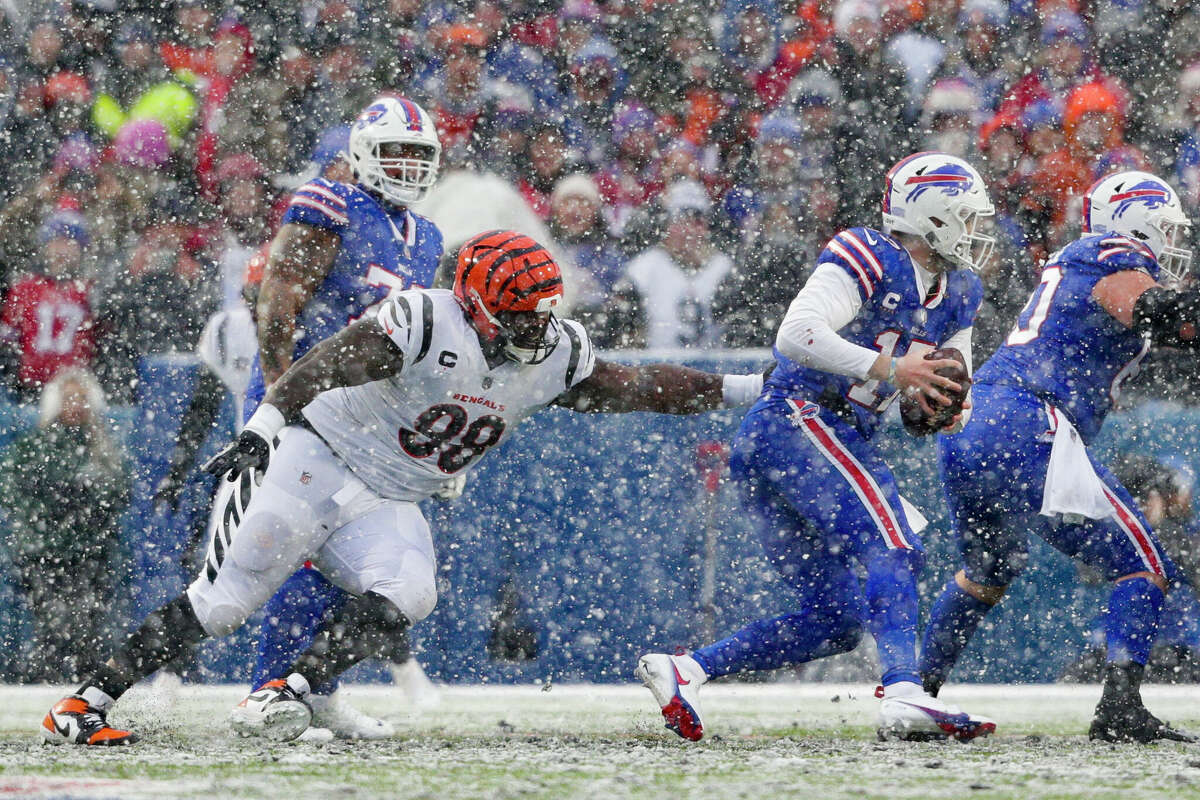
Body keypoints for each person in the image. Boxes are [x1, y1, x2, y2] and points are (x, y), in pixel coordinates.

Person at [40, 229, 766, 746]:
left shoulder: (550, 352)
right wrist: (265, 422)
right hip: (316, 455)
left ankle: (289, 692)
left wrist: (744, 388)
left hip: (390, 494)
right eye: (519, 312)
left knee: (411, 593)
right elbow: (327, 362)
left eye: (544, 311)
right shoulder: (425, 321)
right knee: (224, 604)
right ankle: (85, 701)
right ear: (477, 305)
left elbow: (637, 384)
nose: (537, 328)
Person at [636, 152, 997, 743]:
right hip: (801, 420)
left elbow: (956, 386)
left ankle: (685, 670)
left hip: (796, 440)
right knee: (893, 543)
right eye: (967, 217)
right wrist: (890, 369)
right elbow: (797, 335)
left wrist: (947, 412)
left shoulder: (960, 290)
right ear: (933, 215)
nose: (978, 232)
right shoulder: (870, 256)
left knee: (836, 622)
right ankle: (905, 691)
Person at [919, 170, 1198, 743]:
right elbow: (1151, 311)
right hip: (1026, 420)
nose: (1173, 244)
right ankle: (1120, 709)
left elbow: (1174, 323)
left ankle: (914, 695)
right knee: (1143, 561)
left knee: (987, 574)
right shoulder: (1111, 256)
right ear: (1136, 221)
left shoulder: (1086, 260)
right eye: (1166, 229)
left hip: (977, 419)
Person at [247, 95, 445, 739]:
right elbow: (277, 304)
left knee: (358, 564)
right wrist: (279, 402)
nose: (409, 167)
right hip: (307, 408)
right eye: (395, 153)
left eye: (420, 155)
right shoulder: (329, 204)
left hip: (366, 420)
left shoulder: (429, 235)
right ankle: (268, 693)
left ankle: (316, 690)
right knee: (301, 552)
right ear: (362, 153)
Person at [3, 368, 128, 682]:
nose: (75, 406)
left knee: (88, 626)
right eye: (68, 398)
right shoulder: (33, 446)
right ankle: (50, 680)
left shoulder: (104, 450)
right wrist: (46, 509)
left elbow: (118, 492)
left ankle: (82, 687)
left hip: (90, 552)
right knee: (52, 624)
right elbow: (10, 488)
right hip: (43, 552)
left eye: (81, 399)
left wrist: (87, 503)